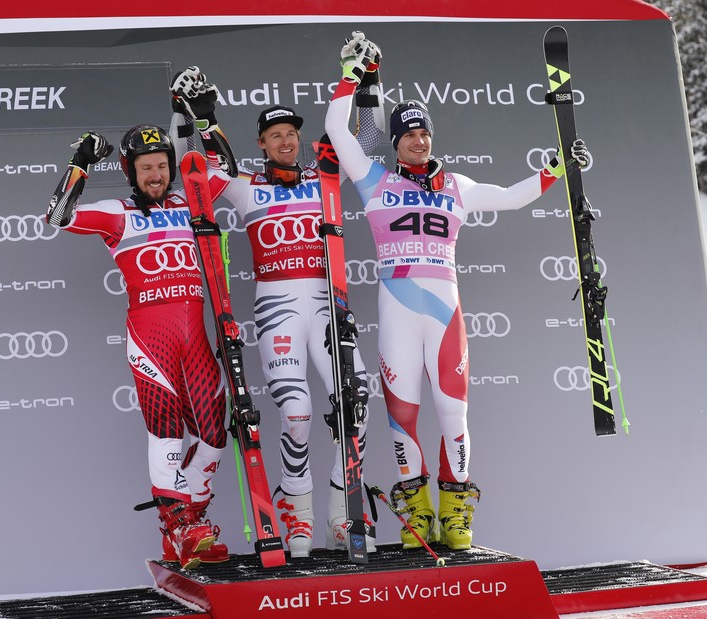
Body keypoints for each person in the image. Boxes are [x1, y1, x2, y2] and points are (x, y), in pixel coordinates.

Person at [324, 32, 591, 550]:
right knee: (402, 413)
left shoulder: (457, 186)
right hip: (398, 311)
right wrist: (351, 73)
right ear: (395, 143)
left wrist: (560, 166)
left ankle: (455, 511)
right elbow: (338, 125)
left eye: (424, 133)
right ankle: (416, 513)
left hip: (446, 313)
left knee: (453, 413)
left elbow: (513, 197)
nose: (418, 141)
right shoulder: (372, 178)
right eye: (407, 135)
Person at [168, 61, 384, 558]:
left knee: (356, 403)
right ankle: (296, 510)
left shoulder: (324, 174)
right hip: (278, 308)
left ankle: (341, 511)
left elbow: (366, 145)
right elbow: (190, 176)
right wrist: (183, 113)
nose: (286, 141)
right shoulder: (245, 184)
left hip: (329, 304)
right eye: (275, 135)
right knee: (297, 412)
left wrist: (370, 85)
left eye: (291, 133)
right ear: (261, 143)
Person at [44, 126, 229, 569]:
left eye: (162, 166)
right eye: (146, 167)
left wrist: (207, 123)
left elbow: (225, 168)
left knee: (214, 437)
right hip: (151, 335)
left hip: (195, 335)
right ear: (131, 171)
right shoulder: (117, 213)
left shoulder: (191, 202)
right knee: (166, 429)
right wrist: (82, 163)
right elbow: (58, 217)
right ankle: (180, 524)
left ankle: (191, 523)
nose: (156, 175)